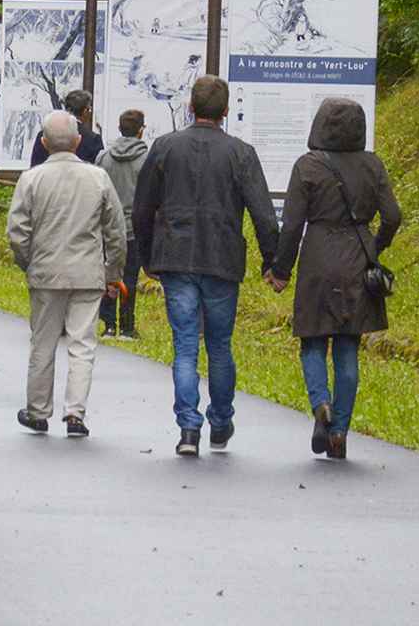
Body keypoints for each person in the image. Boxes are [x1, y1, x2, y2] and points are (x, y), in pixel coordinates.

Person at [132, 75, 279, 456]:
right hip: (222, 257)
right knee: (219, 345)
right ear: (226, 111)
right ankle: (221, 420)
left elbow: (143, 208)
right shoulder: (241, 153)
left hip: (176, 258)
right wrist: (273, 263)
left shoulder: (165, 148)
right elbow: (264, 213)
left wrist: (147, 257)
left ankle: (188, 429)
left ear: (190, 108)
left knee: (184, 347)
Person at [265, 98, 402, 460]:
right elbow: (392, 215)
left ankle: (320, 403)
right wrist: (375, 245)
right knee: (347, 346)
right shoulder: (373, 166)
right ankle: (339, 429)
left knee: (312, 341)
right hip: (358, 256)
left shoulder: (308, 166)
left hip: (318, 257)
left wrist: (281, 270)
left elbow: (293, 224)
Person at [6, 111, 127, 438]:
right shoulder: (98, 178)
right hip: (88, 273)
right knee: (82, 344)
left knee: (43, 343)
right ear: (77, 141)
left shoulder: (31, 179)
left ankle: (37, 411)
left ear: (43, 143)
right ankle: (75, 413)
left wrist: (29, 263)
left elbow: (18, 232)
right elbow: (116, 231)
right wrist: (112, 272)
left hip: (45, 272)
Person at [93, 109, 148, 340]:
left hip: (107, 227)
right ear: (141, 131)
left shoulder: (103, 157)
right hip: (133, 227)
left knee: (108, 273)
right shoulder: (147, 159)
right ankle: (127, 326)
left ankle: (108, 325)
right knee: (130, 277)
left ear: (119, 129)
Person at [28, 88, 104, 167]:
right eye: (90, 110)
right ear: (85, 111)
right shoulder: (93, 139)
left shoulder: (44, 134)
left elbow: (35, 167)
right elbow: (98, 170)